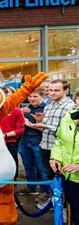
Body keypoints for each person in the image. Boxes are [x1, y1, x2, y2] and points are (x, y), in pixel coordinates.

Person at [32, 79, 75, 207]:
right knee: (48, 175)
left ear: (66, 90)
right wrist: (39, 124)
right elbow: (46, 126)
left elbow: (67, 131)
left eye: (56, 90)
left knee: (60, 178)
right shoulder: (49, 105)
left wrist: (45, 125)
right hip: (45, 144)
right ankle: (53, 201)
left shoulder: (70, 106)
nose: (52, 93)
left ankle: (62, 206)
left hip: (59, 149)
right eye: (50, 90)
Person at [49, 108, 79, 225]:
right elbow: (59, 141)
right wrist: (55, 157)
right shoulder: (69, 116)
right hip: (70, 177)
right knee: (75, 212)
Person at [18, 88, 49, 196]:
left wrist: (34, 123)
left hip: (39, 141)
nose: (31, 99)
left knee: (42, 168)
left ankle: (45, 192)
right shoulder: (25, 109)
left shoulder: (47, 109)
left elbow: (47, 128)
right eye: (30, 96)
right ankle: (31, 187)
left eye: (35, 96)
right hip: (24, 141)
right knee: (28, 165)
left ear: (43, 96)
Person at [0, 86, 25, 180]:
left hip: (11, 143)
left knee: (12, 164)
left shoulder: (16, 110)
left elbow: (20, 130)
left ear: (7, 95)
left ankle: (12, 187)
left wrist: (5, 135)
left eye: (3, 95)